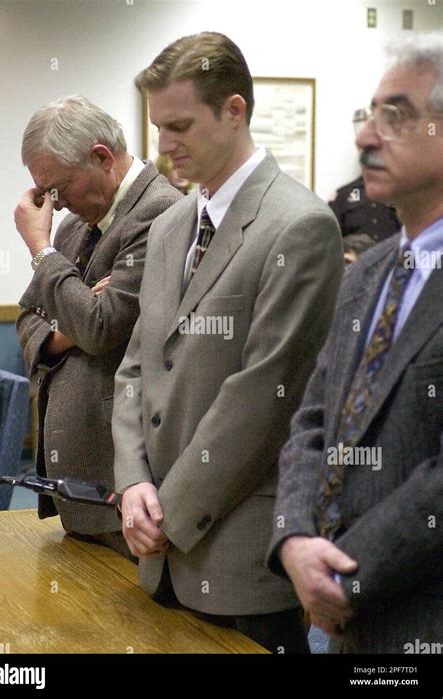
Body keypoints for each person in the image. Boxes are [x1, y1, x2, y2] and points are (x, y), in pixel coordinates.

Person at [112, 31, 343, 653]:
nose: (164, 147)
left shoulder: (301, 226)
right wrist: (133, 482)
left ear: (234, 110)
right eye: (158, 128)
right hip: (155, 553)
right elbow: (135, 367)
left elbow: (261, 401)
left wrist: (168, 516)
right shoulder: (168, 229)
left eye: (180, 125)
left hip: (239, 564)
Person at [268, 32, 443, 653]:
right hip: (341, 627)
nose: (365, 136)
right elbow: (313, 419)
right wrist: (292, 538)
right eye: (370, 115)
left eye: (395, 116)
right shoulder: (366, 273)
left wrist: (344, 575)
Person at [14, 96, 181, 556]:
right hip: (78, 492)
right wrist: (67, 326)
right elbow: (28, 318)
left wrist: (41, 252)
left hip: (124, 484)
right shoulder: (73, 227)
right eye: (45, 193)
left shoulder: (161, 212)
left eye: (58, 186)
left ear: (102, 157)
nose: (55, 202)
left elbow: (102, 328)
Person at [329, 172, 400, 244]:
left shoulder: (399, 193)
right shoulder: (344, 194)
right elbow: (331, 235)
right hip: (356, 253)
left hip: (392, 252)